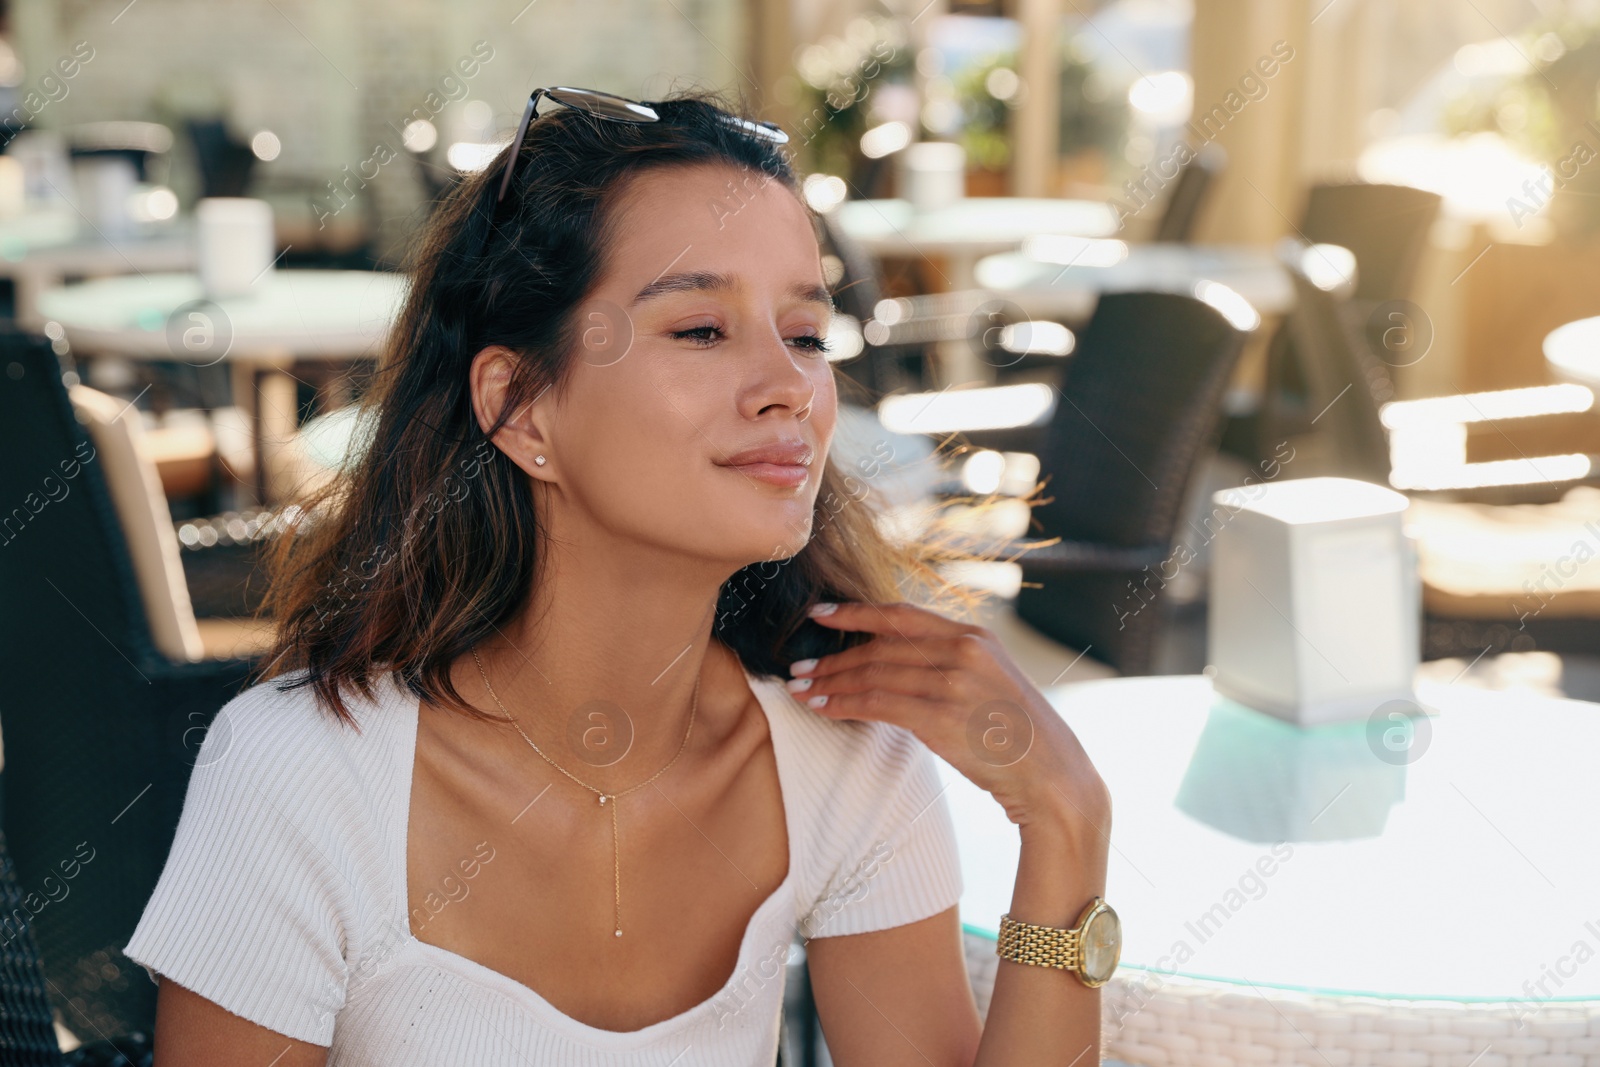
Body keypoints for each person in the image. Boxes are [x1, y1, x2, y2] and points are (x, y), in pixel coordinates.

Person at [122, 86, 1112, 1066]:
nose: (789, 390)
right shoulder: (303, 774)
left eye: (806, 334)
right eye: (699, 329)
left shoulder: (845, 746)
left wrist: (1065, 819)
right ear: (520, 409)